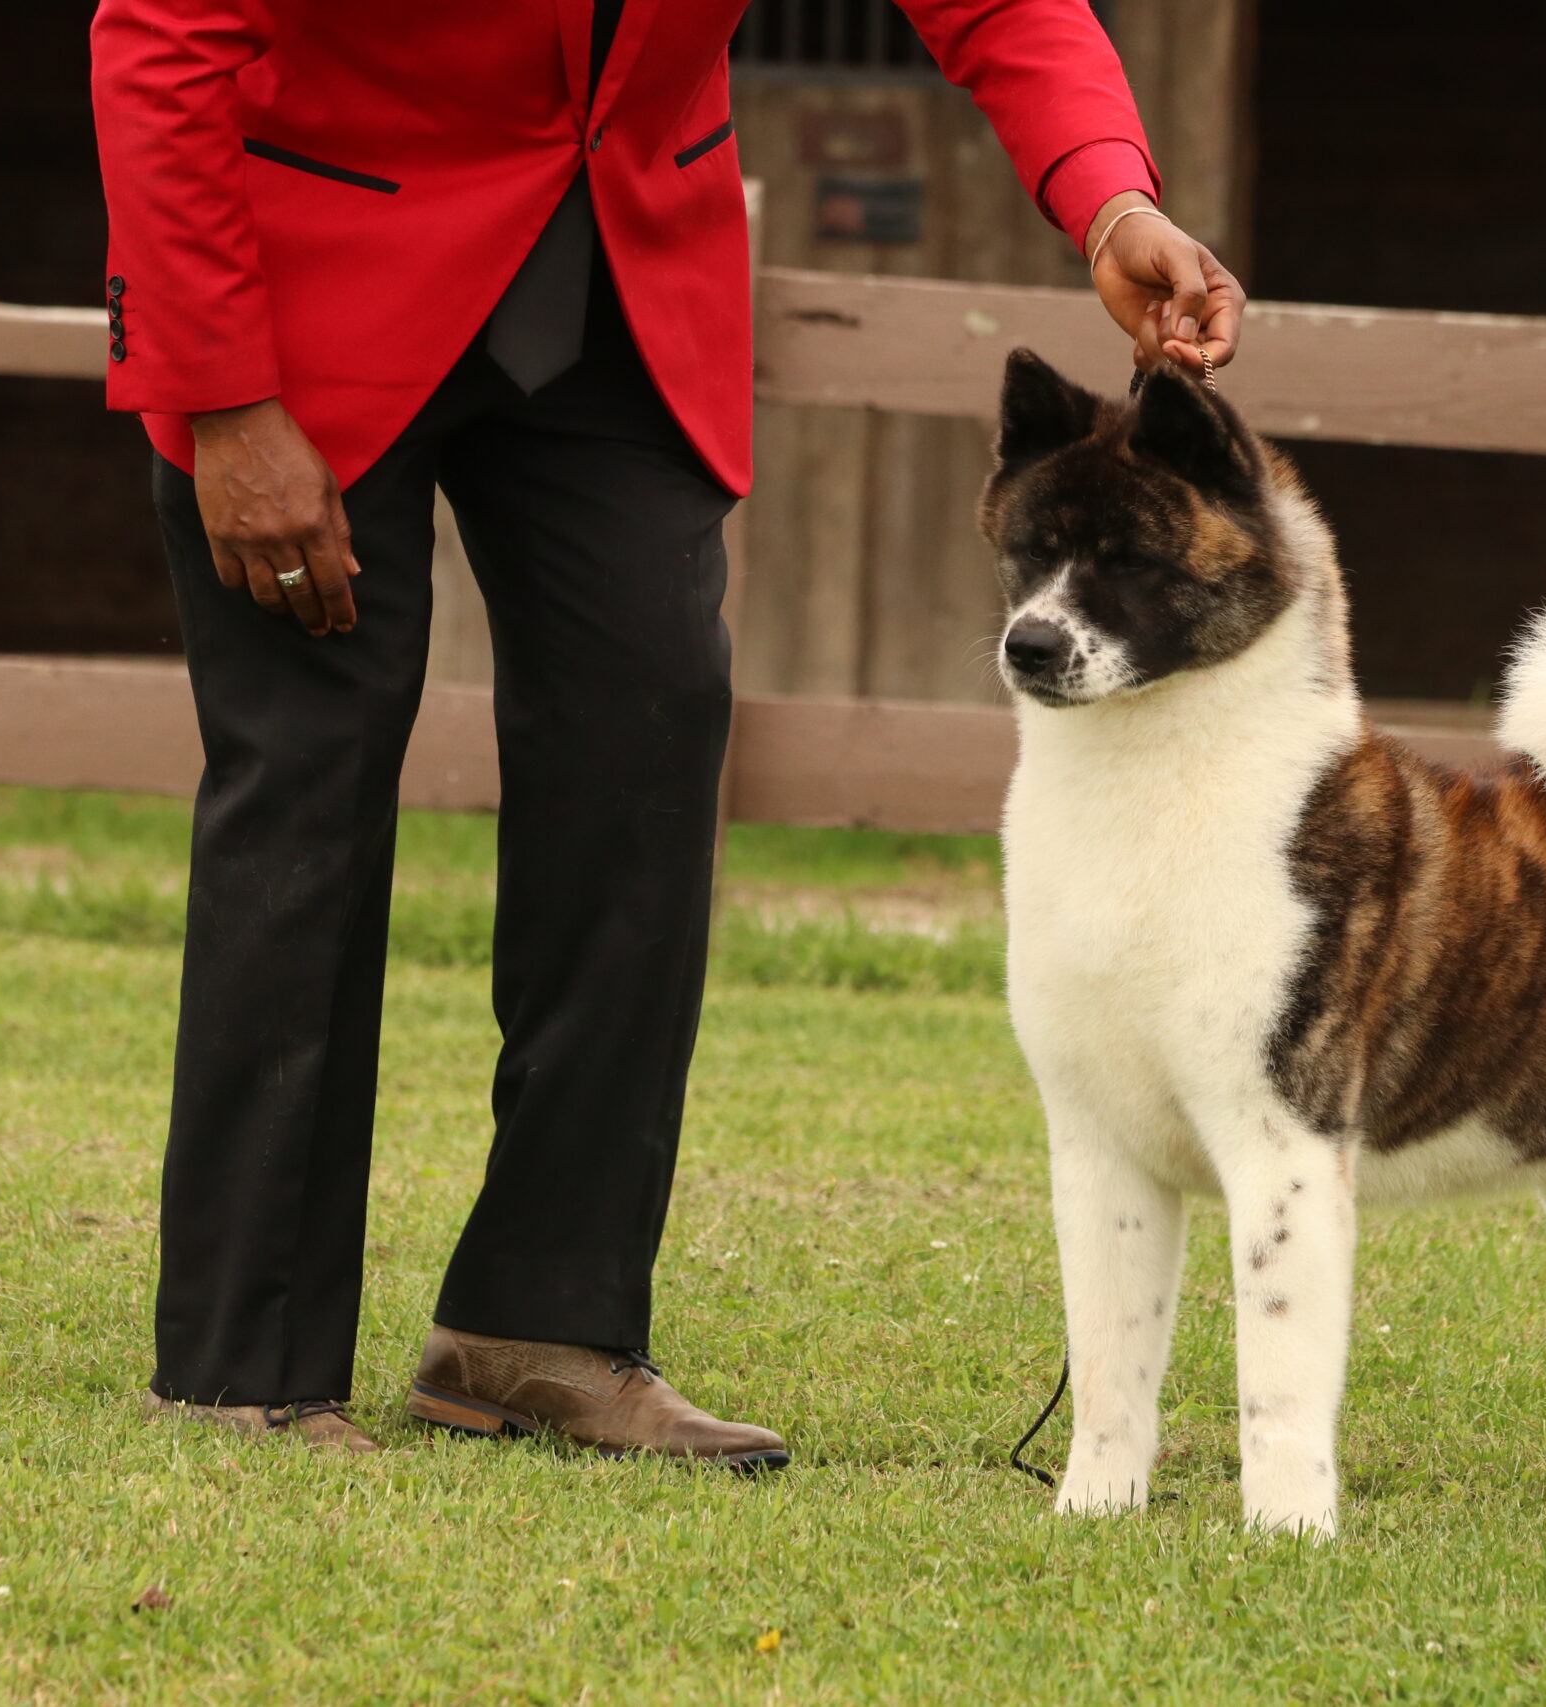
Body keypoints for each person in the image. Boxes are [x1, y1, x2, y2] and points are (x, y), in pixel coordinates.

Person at [90, 0, 1245, 1464]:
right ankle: (241, 1363)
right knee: (306, 786)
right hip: (315, 280)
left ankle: (536, 1327)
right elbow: (157, 39)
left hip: (621, 285)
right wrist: (227, 401)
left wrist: (1109, 199)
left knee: (652, 744)